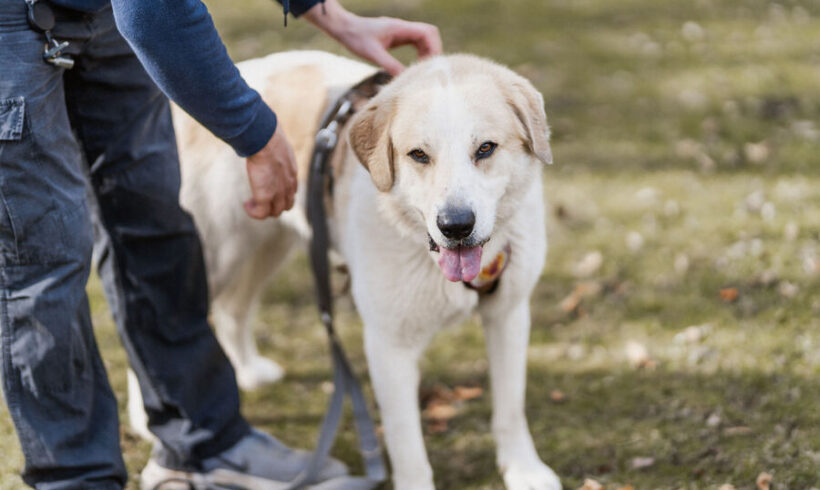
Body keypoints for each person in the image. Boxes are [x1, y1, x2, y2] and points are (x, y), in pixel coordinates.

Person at [0, 0, 441, 487]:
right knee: (42, 263)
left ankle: (201, 444)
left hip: (101, 14)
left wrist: (332, 16)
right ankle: (79, 479)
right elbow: (153, 12)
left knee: (155, 223)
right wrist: (254, 131)